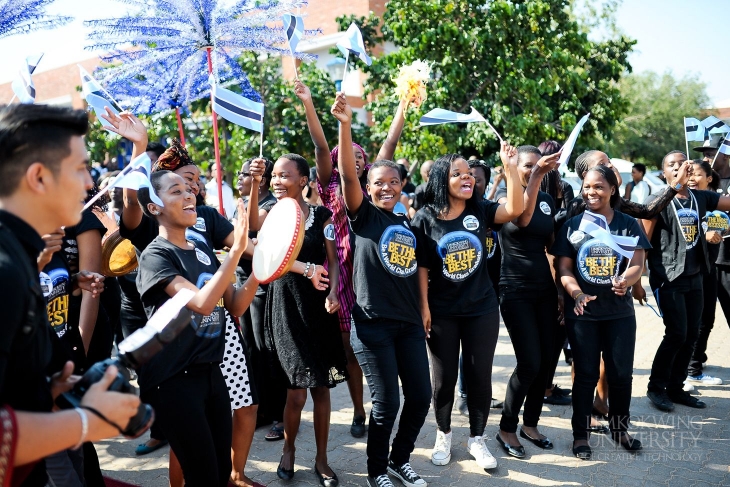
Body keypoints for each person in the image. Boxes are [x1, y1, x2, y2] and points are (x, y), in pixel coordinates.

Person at [0, 103, 139, 486]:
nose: (88, 184)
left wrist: (47, 388)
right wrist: (86, 420)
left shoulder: (20, 255)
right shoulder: (6, 269)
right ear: (39, 177)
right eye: (80, 169)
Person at [296, 80, 410, 439]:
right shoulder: (332, 183)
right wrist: (308, 101)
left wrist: (404, 105)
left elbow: (389, 145)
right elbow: (319, 144)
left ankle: (380, 403)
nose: (358, 159)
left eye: (363, 157)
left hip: (370, 266)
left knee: (372, 341)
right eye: (351, 155)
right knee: (349, 347)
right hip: (340, 268)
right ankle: (359, 410)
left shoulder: (375, 190)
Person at [136, 170, 259, 487]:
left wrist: (262, 266)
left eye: (188, 189)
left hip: (210, 372)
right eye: (175, 191)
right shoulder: (155, 256)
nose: (189, 194)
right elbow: (203, 303)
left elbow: (234, 306)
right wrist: (236, 250)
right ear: (154, 207)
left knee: (219, 473)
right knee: (203, 476)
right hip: (173, 380)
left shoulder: (201, 249)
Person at [332, 92, 431, 487]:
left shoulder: (406, 221)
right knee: (387, 402)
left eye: (394, 182)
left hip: (408, 324)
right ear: (367, 187)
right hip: (373, 326)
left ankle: (398, 459)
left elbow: (420, 267)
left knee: (420, 397)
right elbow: (345, 175)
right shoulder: (364, 215)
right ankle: (375, 471)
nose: (386, 187)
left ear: (403, 184)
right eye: (378, 182)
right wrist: (344, 125)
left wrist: (424, 308)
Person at [411, 145, 524, 471]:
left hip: (482, 309)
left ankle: (477, 439)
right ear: (440, 179)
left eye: (469, 174)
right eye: (457, 173)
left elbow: (515, 209)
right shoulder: (425, 217)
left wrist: (511, 168)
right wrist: (424, 306)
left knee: (478, 377)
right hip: (442, 311)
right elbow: (421, 266)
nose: (467, 178)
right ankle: (443, 434)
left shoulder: (481, 210)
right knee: (443, 380)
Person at [258, 154, 347, 487]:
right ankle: (289, 449)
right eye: (274, 176)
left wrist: (334, 292)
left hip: (318, 308)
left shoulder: (321, 214)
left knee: (322, 389)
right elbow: (256, 237)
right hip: (285, 305)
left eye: (284, 175)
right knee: (295, 393)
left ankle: (322, 460)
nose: (277, 181)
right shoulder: (270, 214)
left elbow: (333, 258)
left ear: (303, 180)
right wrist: (255, 186)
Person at [553, 164, 650, 460]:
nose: (591, 192)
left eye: (598, 187)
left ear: (612, 190)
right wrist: (576, 293)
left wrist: (627, 281)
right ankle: (580, 435)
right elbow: (564, 269)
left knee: (621, 375)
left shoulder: (627, 224)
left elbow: (637, 263)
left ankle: (620, 429)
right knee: (585, 375)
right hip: (582, 313)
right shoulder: (573, 226)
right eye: (587, 187)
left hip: (619, 313)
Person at [637, 151, 730, 412]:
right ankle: (656, 388)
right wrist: (636, 282)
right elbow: (642, 242)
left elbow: (726, 203)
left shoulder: (701, 197)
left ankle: (676, 388)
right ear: (664, 173)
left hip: (695, 275)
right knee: (676, 333)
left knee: (691, 334)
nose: (679, 166)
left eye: (682, 162)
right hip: (668, 277)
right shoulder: (657, 201)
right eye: (671, 164)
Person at [491, 146, 562, 459]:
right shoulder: (507, 200)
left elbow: (550, 247)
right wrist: (537, 177)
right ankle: (507, 427)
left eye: (537, 165)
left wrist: (560, 290)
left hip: (544, 290)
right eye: (527, 166)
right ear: (514, 167)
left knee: (546, 362)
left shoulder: (547, 201)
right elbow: (521, 219)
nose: (533, 169)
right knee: (530, 361)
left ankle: (530, 425)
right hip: (514, 290)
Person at [236, 158, 287, 440]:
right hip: (243, 281)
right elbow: (241, 243)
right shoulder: (244, 203)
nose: (240, 179)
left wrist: (239, 245)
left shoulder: (269, 207)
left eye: (245, 174)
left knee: (268, 350)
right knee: (252, 352)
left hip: (262, 286)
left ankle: (280, 415)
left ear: (262, 179)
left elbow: (255, 247)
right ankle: (263, 410)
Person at [686, 160, 724, 385]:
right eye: (688, 174)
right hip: (688, 272)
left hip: (709, 268)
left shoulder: (714, 201)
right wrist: (704, 234)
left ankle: (693, 368)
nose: (691, 178)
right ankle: (683, 371)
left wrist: (717, 230)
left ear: (709, 178)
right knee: (687, 323)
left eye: (697, 174)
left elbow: (722, 224)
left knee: (706, 320)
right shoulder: (682, 201)